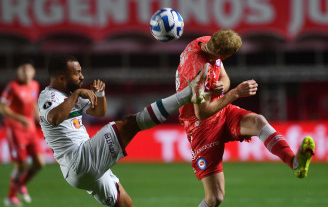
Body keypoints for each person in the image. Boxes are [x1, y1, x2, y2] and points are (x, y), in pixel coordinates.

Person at [37, 54, 207, 207]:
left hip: (80, 168)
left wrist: (101, 94)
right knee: (131, 123)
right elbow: (54, 118)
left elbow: (99, 112)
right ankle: (188, 93)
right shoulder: (49, 96)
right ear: (61, 77)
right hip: (79, 159)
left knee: (125, 204)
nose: (82, 77)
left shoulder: (69, 94)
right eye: (77, 73)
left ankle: (188, 94)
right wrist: (76, 95)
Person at [175, 29, 316, 207]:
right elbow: (201, 113)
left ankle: (294, 163)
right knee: (215, 198)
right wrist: (235, 93)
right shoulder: (198, 71)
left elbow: (224, 78)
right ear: (225, 55)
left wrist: (220, 87)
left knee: (258, 122)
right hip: (201, 126)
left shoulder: (206, 43)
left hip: (222, 110)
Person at [0, 59, 45, 206]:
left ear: (33, 72)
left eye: (28, 70)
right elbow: (3, 108)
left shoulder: (34, 85)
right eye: (23, 70)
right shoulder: (12, 87)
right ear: (18, 72)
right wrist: (19, 118)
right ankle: (10, 197)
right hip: (15, 129)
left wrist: (39, 118)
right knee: (21, 165)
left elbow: (33, 102)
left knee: (39, 163)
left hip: (30, 129)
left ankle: (20, 185)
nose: (26, 73)